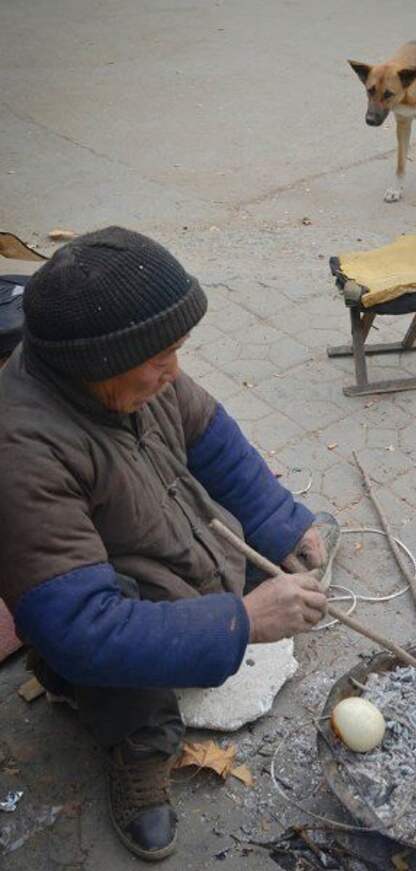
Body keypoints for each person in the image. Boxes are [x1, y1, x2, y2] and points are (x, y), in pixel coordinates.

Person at [0, 227, 339, 861]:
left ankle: (240, 580)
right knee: (109, 666)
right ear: (97, 361)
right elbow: (81, 626)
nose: (174, 370)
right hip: (102, 621)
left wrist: (278, 522)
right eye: (161, 356)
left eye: (177, 349)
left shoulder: (129, 374)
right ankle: (138, 748)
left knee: (251, 540)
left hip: (171, 552)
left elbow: (212, 436)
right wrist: (246, 621)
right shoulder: (20, 452)